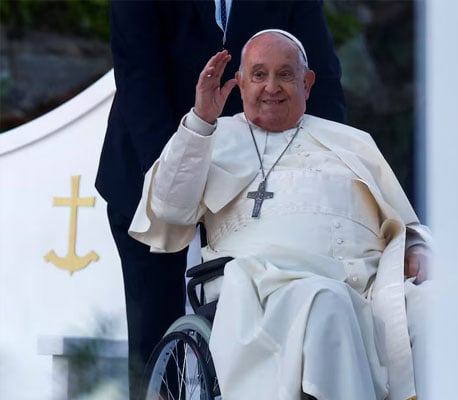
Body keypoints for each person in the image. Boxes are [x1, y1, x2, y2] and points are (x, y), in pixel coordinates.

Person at [129, 30, 432, 399]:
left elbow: (403, 222)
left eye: (285, 75)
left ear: (307, 83)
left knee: (439, 307)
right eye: (258, 75)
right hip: (268, 284)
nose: (271, 86)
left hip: (370, 284)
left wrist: (416, 248)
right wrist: (200, 121)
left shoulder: (352, 141)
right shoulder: (210, 136)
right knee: (327, 301)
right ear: (239, 83)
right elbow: (168, 210)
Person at [94, 1, 345, 398]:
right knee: (154, 339)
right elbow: (139, 77)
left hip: (256, 186)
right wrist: (179, 179)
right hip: (150, 172)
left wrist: (326, 169)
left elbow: (323, 85)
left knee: (255, 332)